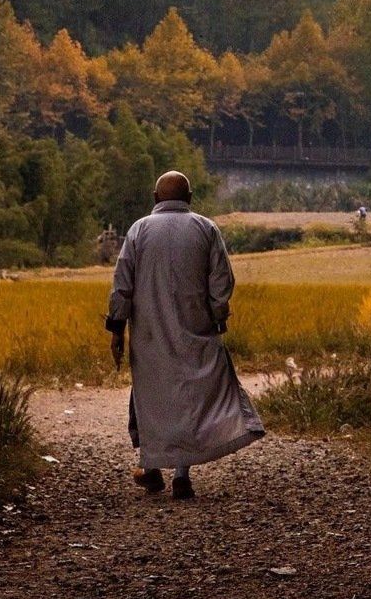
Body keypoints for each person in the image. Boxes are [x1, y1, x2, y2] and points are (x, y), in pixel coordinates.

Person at [105, 170, 265, 500]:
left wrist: (117, 329)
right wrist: (218, 317)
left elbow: (122, 285)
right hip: (196, 330)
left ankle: (150, 467)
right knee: (191, 397)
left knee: (151, 397)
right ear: (190, 199)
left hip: (149, 335)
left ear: (155, 198)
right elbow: (222, 281)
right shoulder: (206, 228)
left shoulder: (138, 231)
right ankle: (181, 474)